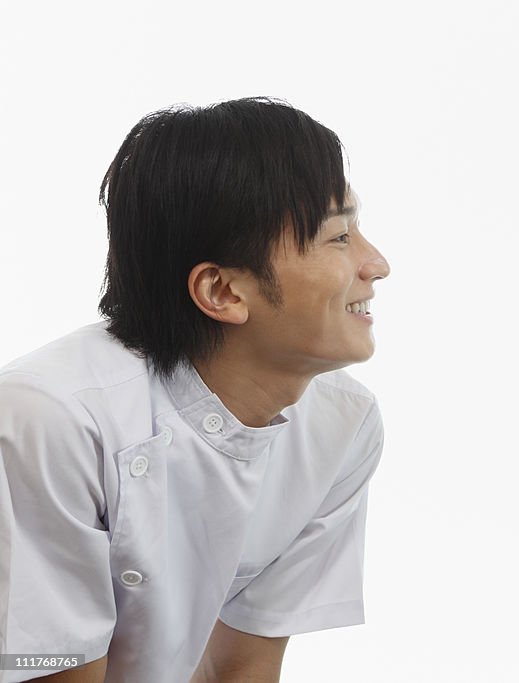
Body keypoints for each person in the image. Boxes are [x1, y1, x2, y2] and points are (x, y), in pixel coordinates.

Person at [0, 97, 391, 682]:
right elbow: (45, 669)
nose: (377, 264)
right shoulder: (51, 418)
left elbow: (242, 669)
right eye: (338, 237)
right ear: (222, 291)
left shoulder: (342, 425)